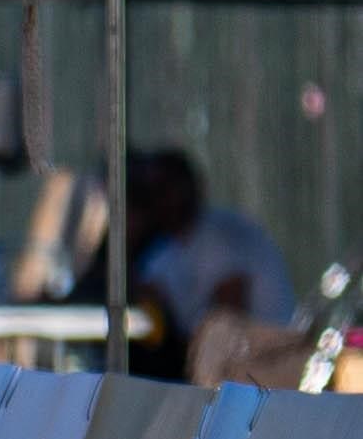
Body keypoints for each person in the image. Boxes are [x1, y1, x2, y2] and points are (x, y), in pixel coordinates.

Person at [127, 147, 298, 375]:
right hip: (213, 368)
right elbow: (144, 303)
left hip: (265, 366)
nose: (159, 200)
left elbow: (229, 322)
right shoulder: (163, 252)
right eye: (149, 192)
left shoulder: (220, 235)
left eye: (165, 188)